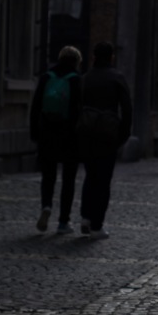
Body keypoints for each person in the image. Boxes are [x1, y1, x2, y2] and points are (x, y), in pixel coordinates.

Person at [78, 41, 132, 239]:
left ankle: (85, 216)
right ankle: (97, 224)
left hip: (87, 133)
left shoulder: (85, 79)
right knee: (103, 179)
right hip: (108, 135)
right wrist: (123, 134)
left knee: (90, 175)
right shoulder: (117, 78)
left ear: (93, 57)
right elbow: (127, 109)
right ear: (111, 57)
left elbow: (76, 106)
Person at [29, 45, 83, 234]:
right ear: (77, 61)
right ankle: (63, 222)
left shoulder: (46, 77)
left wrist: (34, 133)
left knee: (48, 175)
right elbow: (80, 111)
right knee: (68, 178)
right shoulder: (76, 80)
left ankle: (46, 206)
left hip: (47, 133)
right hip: (69, 136)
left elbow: (35, 106)